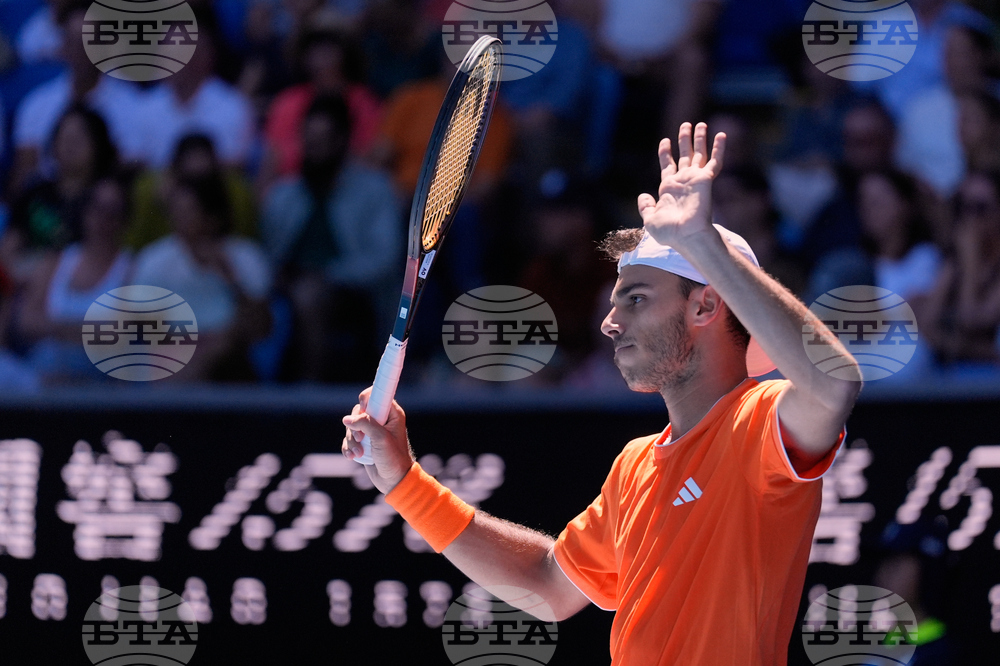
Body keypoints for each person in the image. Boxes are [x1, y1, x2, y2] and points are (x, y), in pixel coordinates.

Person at [341, 123, 862, 664]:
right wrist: (405, 482)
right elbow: (547, 586)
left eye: (634, 299)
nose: (609, 322)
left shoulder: (760, 421)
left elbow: (834, 383)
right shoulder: (635, 465)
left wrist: (702, 243)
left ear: (705, 306)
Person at [133, 175, 272, 381]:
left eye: (189, 211)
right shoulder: (153, 259)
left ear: (212, 216)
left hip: (233, 358)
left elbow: (261, 327)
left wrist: (230, 278)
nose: (179, 218)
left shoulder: (247, 257)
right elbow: (142, 325)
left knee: (224, 345)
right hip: (173, 351)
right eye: (176, 211)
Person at [15, 175, 132, 384]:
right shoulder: (57, 261)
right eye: (97, 208)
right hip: (48, 368)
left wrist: (56, 328)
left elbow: (119, 335)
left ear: (124, 218)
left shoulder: (130, 269)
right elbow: (27, 322)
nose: (103, 218)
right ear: (85, 211)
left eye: (113, 211)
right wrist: (85, 332)